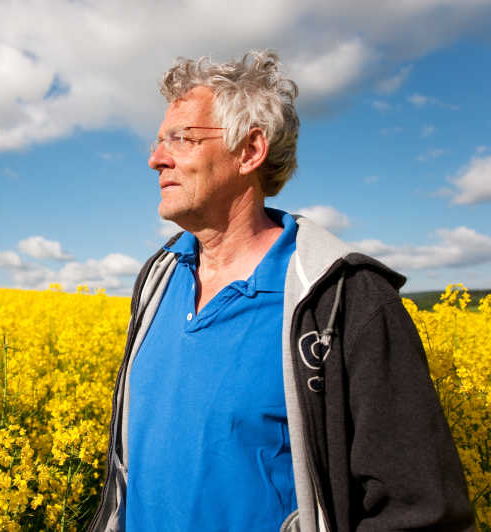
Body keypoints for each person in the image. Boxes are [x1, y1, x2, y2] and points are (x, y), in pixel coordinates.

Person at [88, 51, 473, 531]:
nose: (155, 158)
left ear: (250, 151)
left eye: (180, 138)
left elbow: (422, 512)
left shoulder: (344, 300)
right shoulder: (157, 281)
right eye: (158, 139)